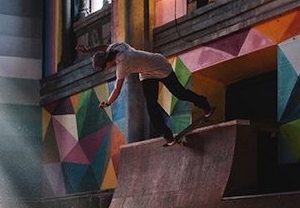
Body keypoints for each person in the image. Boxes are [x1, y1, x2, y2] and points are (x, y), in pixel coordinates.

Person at [77, 42, 215, 143]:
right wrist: (89, 50)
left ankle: (204, 104)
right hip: (147, 74)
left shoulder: (123, 63)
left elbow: (117, 90)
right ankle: (167, 135)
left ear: (107, 62)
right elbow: (103, 48)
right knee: (151, 105)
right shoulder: (115, 48)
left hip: (160, 67)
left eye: (104, 69)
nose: (106, 70)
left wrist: (107, 103)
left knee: (180, 93)